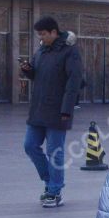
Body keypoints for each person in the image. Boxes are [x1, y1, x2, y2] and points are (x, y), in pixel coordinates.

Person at [20, 16, 83, 208]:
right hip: (38, 108)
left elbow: (74, 83)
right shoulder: (41, 51)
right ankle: (50, 181)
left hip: (57, 110)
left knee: (55, 152)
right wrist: (28, 70)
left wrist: (67, 109)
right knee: (30, 146)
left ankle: (55, 192)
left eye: (44, 34)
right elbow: (37, 75)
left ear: (54, 32)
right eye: (39, 34)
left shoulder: (69, 52)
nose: (41, 38)